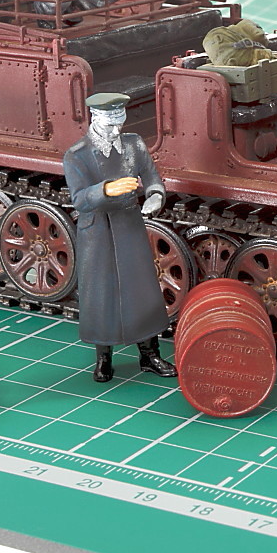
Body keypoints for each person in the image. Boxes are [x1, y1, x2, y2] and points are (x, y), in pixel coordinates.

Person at [62, 92, 176, 383]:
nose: (116, 130)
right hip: (97, 231)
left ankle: (149, 354)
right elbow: (79, 200)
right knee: (100, 294)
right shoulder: (77, 154)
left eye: (119, 123)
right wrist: (105, 190)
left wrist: (155, 195)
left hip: (129, 224)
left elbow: (151, 176)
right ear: (94, 118)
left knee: (142, 290)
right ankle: (103, 357)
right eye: (110, 124)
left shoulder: (133, 144)